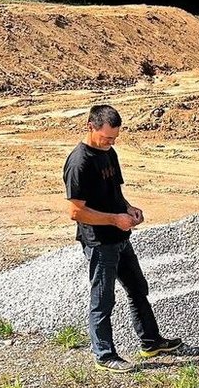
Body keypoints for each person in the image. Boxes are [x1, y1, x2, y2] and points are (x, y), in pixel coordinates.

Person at [64, 104, 182, 372]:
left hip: (120, 237)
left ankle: (151, 342)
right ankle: (104, 355)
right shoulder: (79, 162)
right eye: (107, 137)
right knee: (103, 299)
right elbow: (75, 212)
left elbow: (114, 192)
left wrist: (128, 209)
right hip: (99, 242)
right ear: (90, 126)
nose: (111, 142)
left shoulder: (109, 152)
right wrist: (114, 219)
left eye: (115, 138)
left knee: (138, 288)